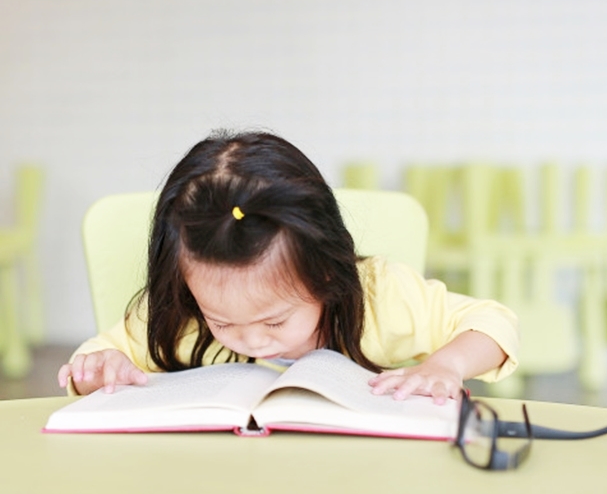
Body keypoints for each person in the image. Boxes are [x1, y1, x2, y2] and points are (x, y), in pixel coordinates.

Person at [58, 130, 519, 404]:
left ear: (323, 273)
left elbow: (494, 325)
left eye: (274, 319)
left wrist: (445, 365)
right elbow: (95, 359)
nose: (253, 339)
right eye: (222, 321)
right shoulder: (178, 315)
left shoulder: (380, 295)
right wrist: (102, 368)